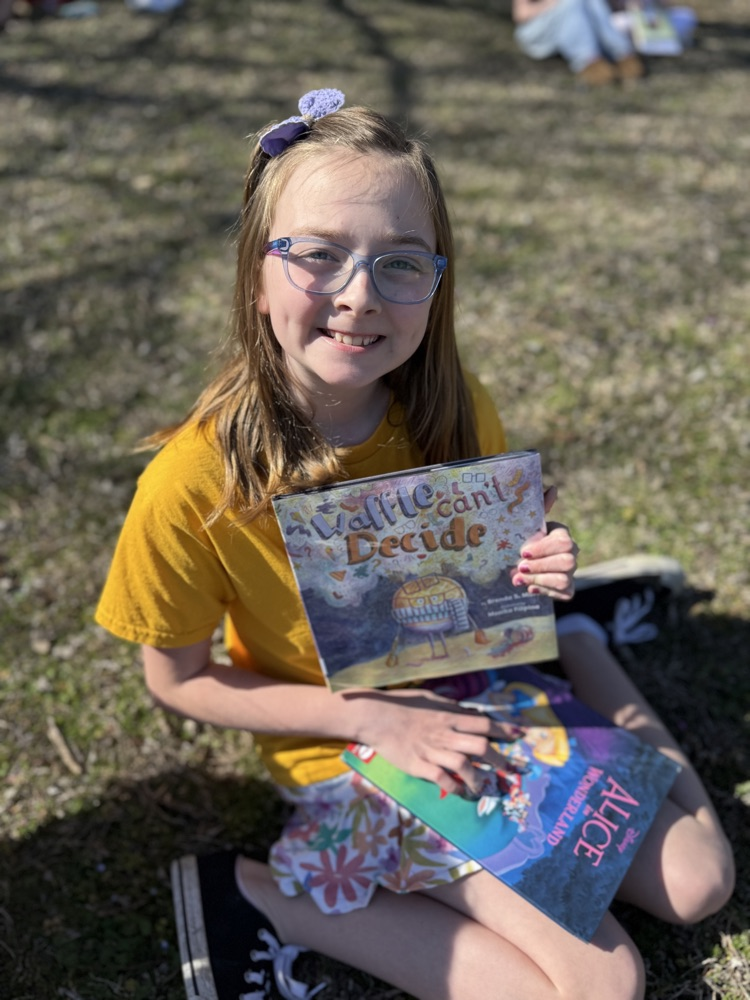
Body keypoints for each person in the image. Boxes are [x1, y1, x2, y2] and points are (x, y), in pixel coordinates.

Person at [96, 89, 734, 1000]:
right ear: (254, 273)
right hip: (353, 746)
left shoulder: (451, 403)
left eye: (401, 263)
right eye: (317, 255)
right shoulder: (191, 485)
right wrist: (372, 718)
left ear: (437, 282)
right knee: (598, 988)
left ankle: (583, 639)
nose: (359, 295)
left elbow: (494, 568)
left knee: (702, 882)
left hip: (486, 684)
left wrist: (542, 563)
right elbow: (178, 679)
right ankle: (257, 892)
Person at [512, 0, 646, 85]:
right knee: (572, 3)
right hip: (537, 31)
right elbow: (522, 14)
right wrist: (554, 3)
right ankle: (587, 61)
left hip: (573, 24)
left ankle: (623, 55)